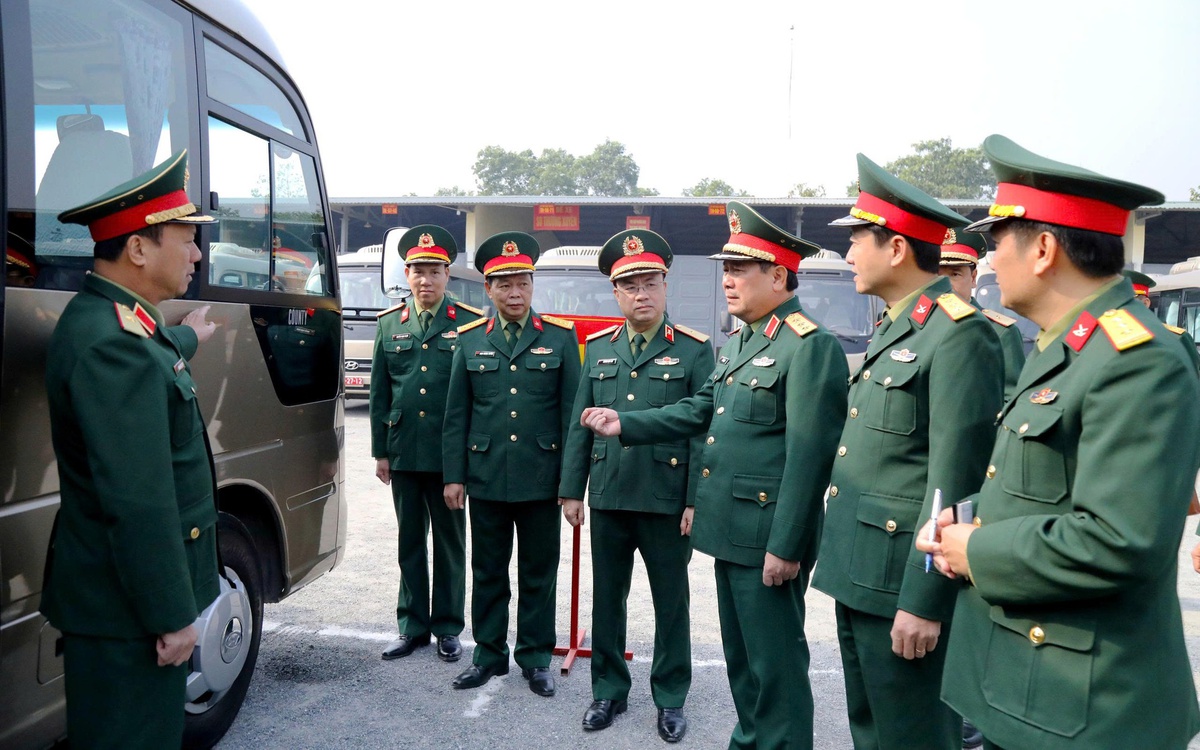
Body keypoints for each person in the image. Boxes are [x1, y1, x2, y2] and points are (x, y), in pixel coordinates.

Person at [918, 134, 1200, 750]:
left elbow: (1119, 540)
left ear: (1043, 248)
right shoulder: (1065, 349)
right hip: (1033, 688)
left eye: (996, 243)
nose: (988, 262)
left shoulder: (1137, 360)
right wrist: (964, 523)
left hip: (1085, 708)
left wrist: (979, 548)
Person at [581, 201, 849, 750]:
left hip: (767, 540)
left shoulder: (808, 346)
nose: (726, 281)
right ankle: (750, 741)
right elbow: (698, 410)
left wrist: (788, 544)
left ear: (778, 274)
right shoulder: (746, 341)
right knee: (744, 665)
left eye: (739, 270)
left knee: (775, 668)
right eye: (725, 269)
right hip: (731, 534)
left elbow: (808, 458)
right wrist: (623, 423)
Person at [810, 154, 1004, 750]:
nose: (846, 257)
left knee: (914, 735)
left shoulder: (959, 333)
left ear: (895, 248)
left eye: (857, 241)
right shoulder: (899, 326)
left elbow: (955, 481)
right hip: (859, 573)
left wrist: (926, 600)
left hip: (901, 583)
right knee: (872, 730)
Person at [40, 150, 221, 749]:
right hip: (129, 614)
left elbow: (154, 348)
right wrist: (172, 614)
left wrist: (190, 334)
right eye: (186, 238)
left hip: (118, 605)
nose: (196, 254)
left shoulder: (114, 321)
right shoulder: (113, 344)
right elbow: (138, 501)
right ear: (139, 249)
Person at [558, 229, 714, 742]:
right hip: (610, 493)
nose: (641, 294)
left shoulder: (694, 350)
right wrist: (570, 490)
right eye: (629, 286)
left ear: (666, 287)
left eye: (650, 283)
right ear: (616, 293)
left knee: (672, 603)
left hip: (668, 501)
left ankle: (670, 697)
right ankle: (608, 690)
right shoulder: (599, 348)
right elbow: (581, 421)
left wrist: (694, 500)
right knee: (608, 598)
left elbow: (702, 431)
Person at [442, 231, 581, 697]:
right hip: (485, 477)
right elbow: (456, 414)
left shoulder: (560, 339)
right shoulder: (468, 340)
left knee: (540, 571)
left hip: (542, 479)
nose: (515, 293)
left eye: (522, 282)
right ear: (488, 289)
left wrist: (571, 485)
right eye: (504, 285)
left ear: (532, 284)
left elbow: (571, 420)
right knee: (487, 569)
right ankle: (487, 653)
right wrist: (454, 476)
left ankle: (537, 656)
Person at [370, 225, 483, 663]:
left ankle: (448, 627)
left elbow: (476, 394)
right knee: (410, 541)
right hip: (404, 450)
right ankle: (412, 625)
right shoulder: (389, 325)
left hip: (448, 456)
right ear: (407, 274)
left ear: (447, 275)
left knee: (450, 545)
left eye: (434, 271)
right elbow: (380, 392)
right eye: (417, 271)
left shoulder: (470, 324)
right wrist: (381, 451)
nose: (425, 280)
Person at [940, 227, 1027, 401]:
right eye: (936, 275)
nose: (945, 285)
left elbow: (1011, 401)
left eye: (955, 274)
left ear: (973, 278)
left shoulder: (999, 332)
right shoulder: (913, 326)